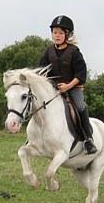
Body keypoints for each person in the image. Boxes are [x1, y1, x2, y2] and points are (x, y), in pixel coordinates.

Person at [38, 15, 97, 154]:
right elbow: (41, 71)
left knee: (80, 106)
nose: (57, 35)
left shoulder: (74, 52)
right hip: (54, 89)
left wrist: (68, 86)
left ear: (67, 35)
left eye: (60, 33)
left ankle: (88, 139)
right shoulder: (48, 51)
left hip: (73, 88)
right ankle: (35, 138)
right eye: (54, 32)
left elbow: (81, 75)